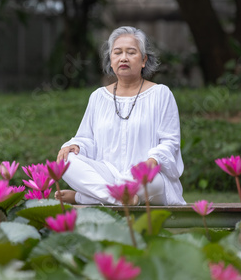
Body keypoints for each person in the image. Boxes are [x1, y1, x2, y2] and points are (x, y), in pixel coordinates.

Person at [55, 26, 185, 206]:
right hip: (107, 173)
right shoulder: (98, 97)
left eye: (131, 52)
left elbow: (170, 142)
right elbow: (87, 139)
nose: (123, 58)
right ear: (111, 59)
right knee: (67, 161)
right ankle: (121, 198)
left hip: (144, 176)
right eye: (117, 52)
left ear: (143, 60)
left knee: (153, 184)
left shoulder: (161, 94)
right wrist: (74, 145)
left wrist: (153, 160)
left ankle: (84, 197)